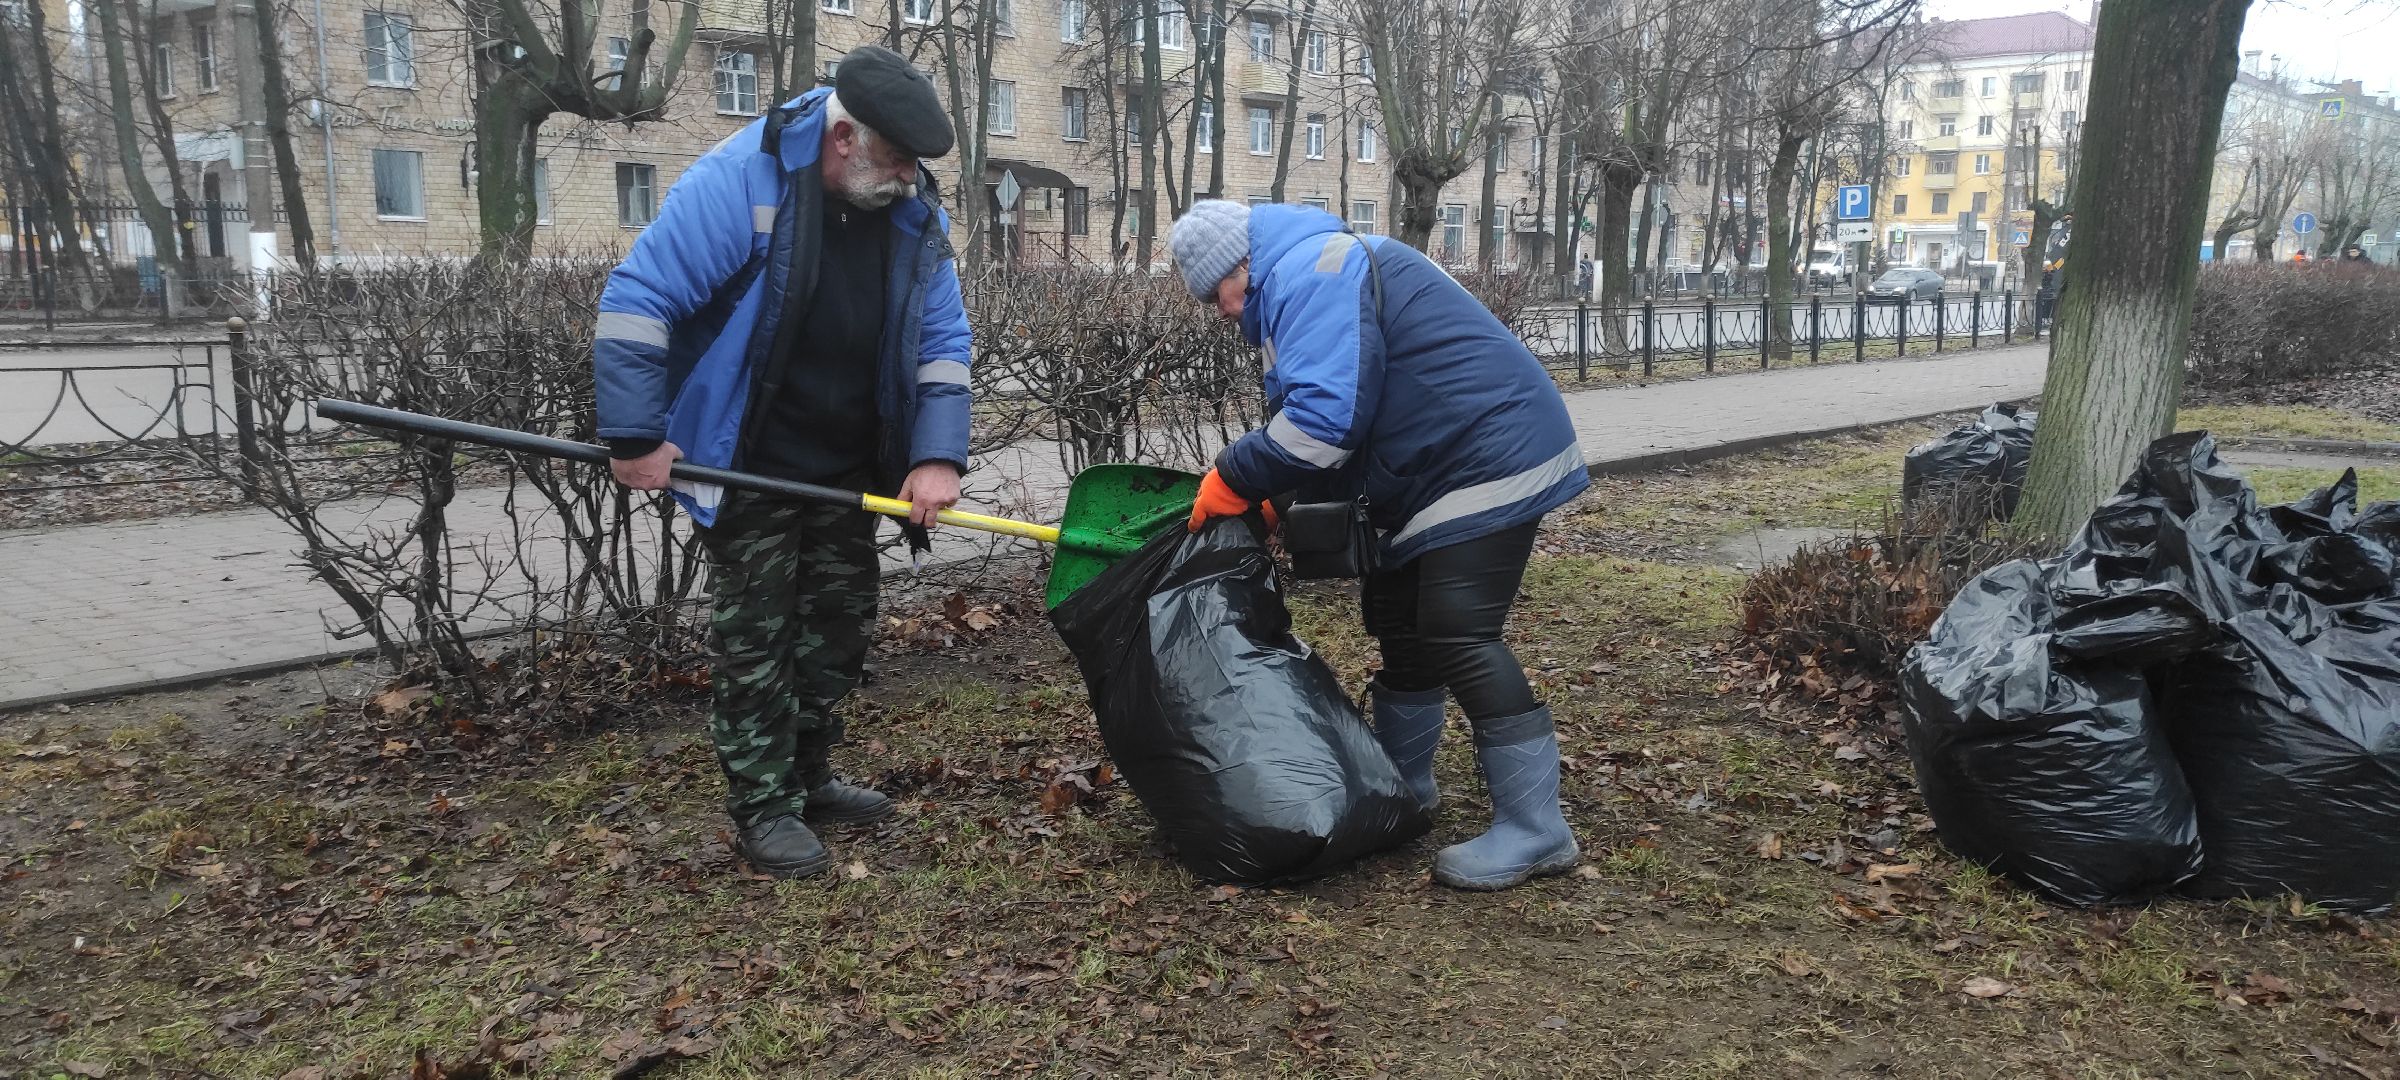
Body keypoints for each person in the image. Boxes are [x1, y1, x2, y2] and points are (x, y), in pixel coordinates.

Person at [591, 45, 973, 879]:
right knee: (759, 638)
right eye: (897, 159)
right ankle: (763, 808)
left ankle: (809, 776)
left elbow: (943, 345)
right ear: (844, 140)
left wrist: (937, 455)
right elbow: (638, 298)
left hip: (848, 465)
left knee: (836, 629)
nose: (909, 177)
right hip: (748, 456)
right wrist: (633, 435)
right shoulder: (741, 180)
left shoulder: (910, 213)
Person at [1166, 199, 1592, 890]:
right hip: (1429, 468)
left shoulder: (1311, 269)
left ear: (1242, 267)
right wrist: (1276, 500)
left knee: (1457, 631)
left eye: (1217, 293)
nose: (1218, 310)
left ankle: (1538, 828)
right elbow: (1329, 422)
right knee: (1398, 620)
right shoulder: (1298, 280)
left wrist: (1235, 478)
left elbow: (1327, 419)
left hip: (1484, 453)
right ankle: (1403, 788)